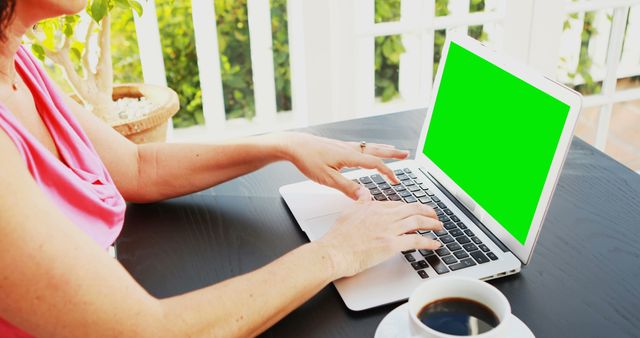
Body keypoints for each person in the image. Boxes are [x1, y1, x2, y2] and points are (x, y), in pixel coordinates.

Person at [0, 1, 442, 336]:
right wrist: (338, 251)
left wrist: (283, 145)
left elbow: (138, 165)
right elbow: (148, 330)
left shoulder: (18, 65)